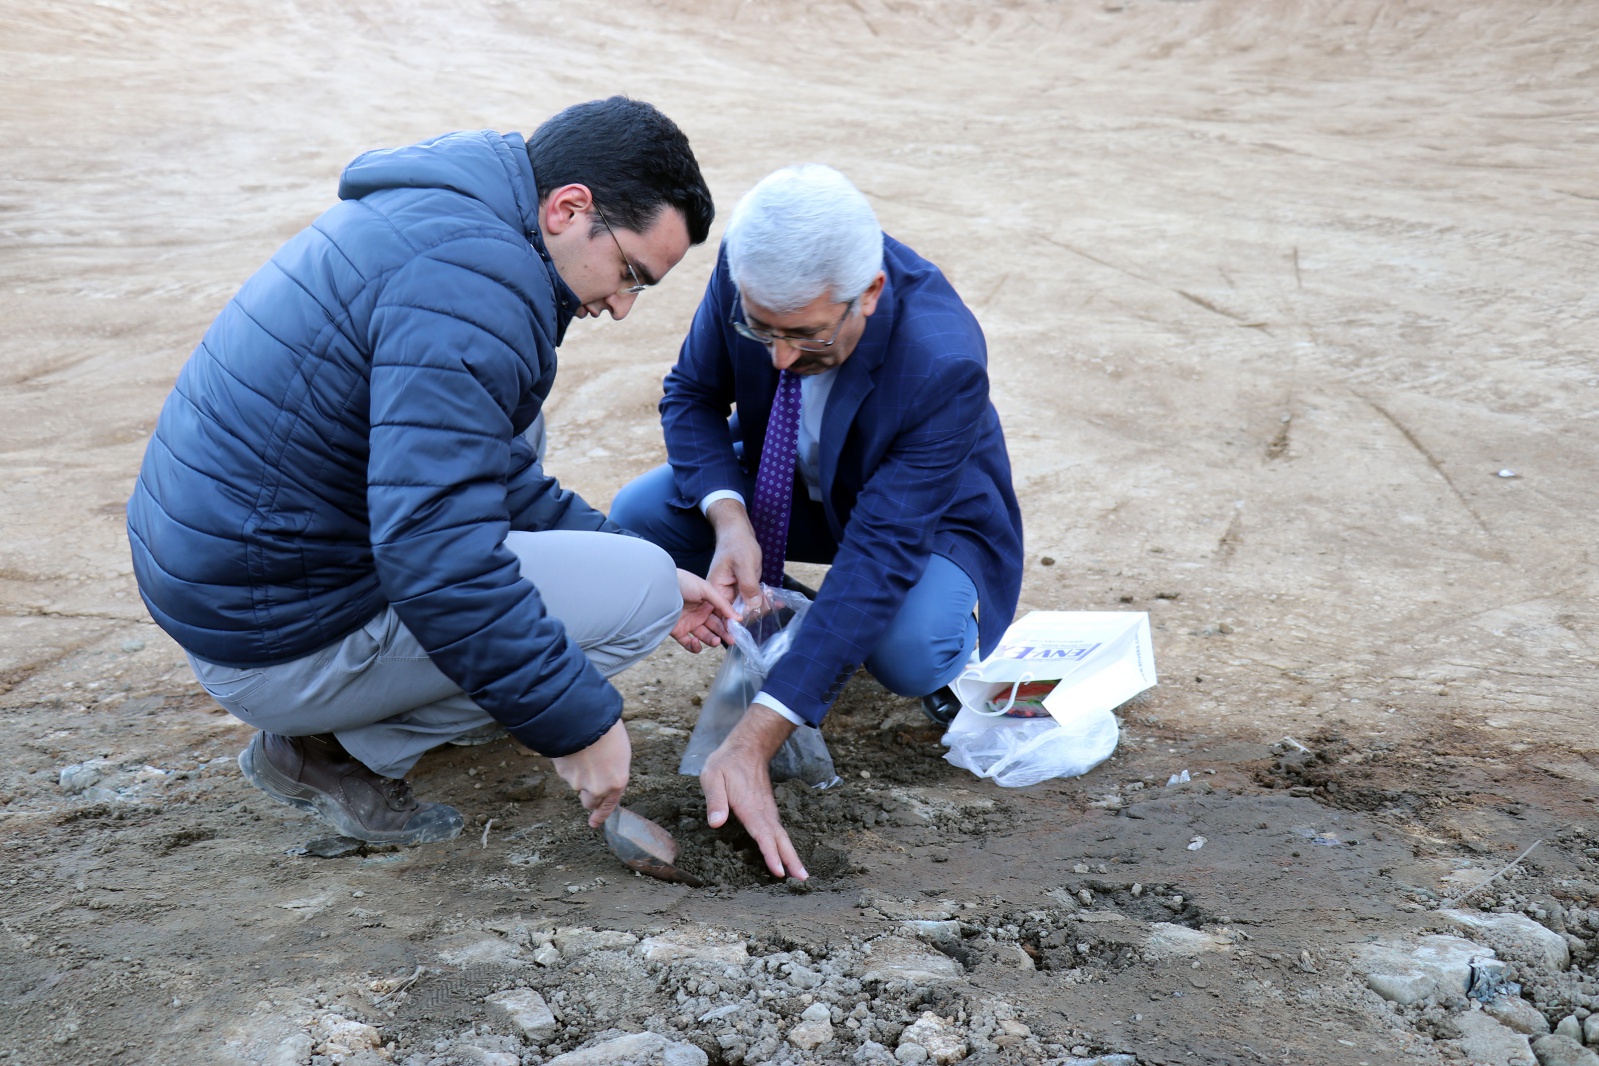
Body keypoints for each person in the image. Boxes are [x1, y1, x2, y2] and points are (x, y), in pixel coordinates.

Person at [126, 97, 734, 846]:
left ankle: (346, 718)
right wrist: (579, 726)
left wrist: (611, 546)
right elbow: (433, 551)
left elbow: (486, 469)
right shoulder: (475, 284)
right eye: (629, 273)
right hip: (271, 637)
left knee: (591, 519)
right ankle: (329, 749)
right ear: (568, 209)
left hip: (240, 586)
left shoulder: (448, 217)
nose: (619, 307)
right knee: (635, 597)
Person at [610, 164, 1024, 880]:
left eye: (804, 335)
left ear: (869, 294)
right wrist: (732, 522)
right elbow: (692, 395)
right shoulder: (755, 270)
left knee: (908, 646)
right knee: (640, 516)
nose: (777, 358)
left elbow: (880, 551)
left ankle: (877, 637)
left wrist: (754, 738)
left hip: (919, 513)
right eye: (759, 329)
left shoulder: (940, 359)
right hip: (789, 484)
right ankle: (811, 632)